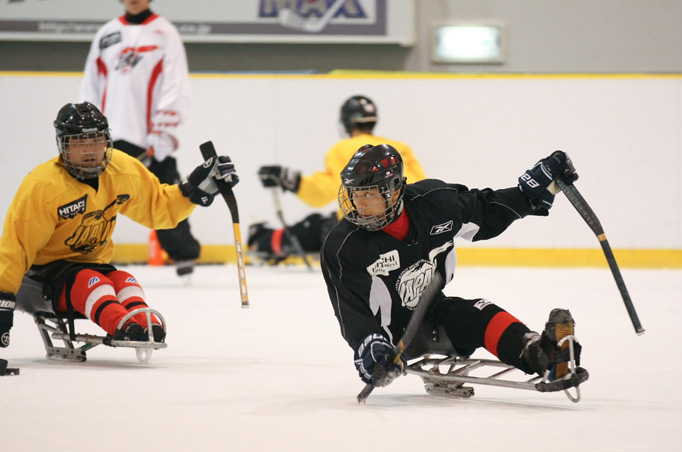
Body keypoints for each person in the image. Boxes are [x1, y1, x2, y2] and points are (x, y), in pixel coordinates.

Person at [320, 143, 583, 390]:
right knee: (465, 315)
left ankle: (542, 353)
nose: (359, 205)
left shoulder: (435, 204)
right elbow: (351, 313)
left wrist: (531, 194)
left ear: (395, 188)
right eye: (355, 195)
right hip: (393, 340)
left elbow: (486, 211)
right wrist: (371, 350)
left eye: (369, 195)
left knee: (478, 312)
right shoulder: (343, 247)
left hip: (436, 312)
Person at [0, 102, 237, 349]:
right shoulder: (44, 186)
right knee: (91, 281)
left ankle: (143, 325)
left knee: (125, 280)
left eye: (96, 141)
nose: (90, 150)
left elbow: (160, 207)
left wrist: (193, 190)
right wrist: (2, 299)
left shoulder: (121, 169)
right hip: (37, 280)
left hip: (90, 268)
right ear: (63, 146)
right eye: (79, 143)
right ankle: (122, 326)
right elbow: (15, 249)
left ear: (107, 142)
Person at [80, 0, 199, 278]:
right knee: (91, 199)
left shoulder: (164, 33)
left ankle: (184, 256)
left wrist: (163, 128)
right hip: (107, 136)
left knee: (165, 192)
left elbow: (176, 82)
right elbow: (91, 83)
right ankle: (79, 256)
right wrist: (87, 128)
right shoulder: (106, 34)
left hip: (149, 136)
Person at [250, 95, 427, 261]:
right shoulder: (400, 148)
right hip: (407, 229)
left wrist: (292, 182)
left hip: (364, 228)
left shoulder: (344, 148)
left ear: (347, 122)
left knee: (314, 226)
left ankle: (262, 240)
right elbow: (420, 185)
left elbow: (326, 190)